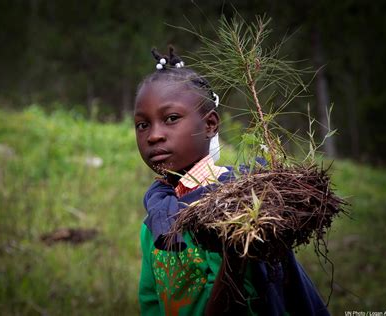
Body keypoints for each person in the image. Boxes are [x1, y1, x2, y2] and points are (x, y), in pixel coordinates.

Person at [135, 46, 329, 316]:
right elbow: (151, 300)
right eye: (143, 125)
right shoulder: (155, 218)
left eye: (171, 119)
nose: (154, 135)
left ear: (210, 124)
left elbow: (249, 298)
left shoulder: (240, 200)